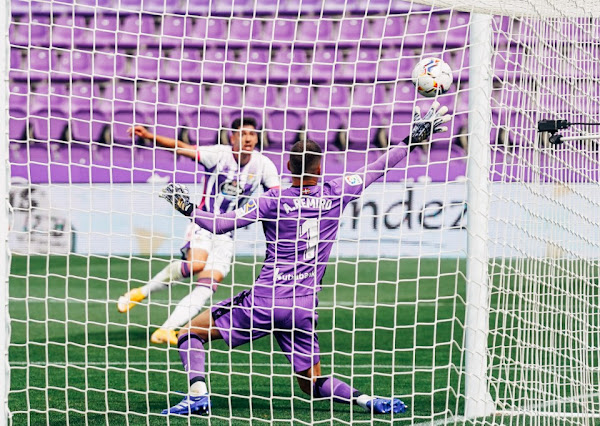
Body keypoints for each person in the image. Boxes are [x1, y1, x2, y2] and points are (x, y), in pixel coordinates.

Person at [159, 102, 451, 415]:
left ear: (287, 167)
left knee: (189, 333)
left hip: (265, 299)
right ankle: (369, 401)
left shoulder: (273, 200)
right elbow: (377, 168)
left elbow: (221, 223)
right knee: (310, 382)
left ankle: (198, 395)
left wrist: (187, 209)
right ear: (320, 168)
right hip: (302, 306)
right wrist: (411, 141)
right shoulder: (337, 191)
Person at [117, 117, 280, 346]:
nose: (249, 138)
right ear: (232, 137)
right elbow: (183, 148)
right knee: (196, 265)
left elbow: (277, 194)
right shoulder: (219, 155)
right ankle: (140, 292)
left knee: (206, 287)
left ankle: (166, 330)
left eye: (252, 134)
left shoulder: (264, 165)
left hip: (228, 234)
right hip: (203, 223)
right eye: (243, 134)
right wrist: (150, 136)